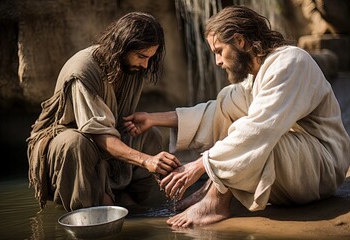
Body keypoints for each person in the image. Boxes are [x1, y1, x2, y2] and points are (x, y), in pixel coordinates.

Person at [123, 6, 350, 227]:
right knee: (233, 113)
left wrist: (200, 165)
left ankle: (215, 202)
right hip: (298, 168)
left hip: (322, 168)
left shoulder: (290, 62)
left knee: (248, 131)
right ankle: (209, 190)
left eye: (219, 51)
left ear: (240, 41)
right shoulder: (256, 75)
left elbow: (259, 129)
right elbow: (218, 110)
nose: (218, 62)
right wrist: (153, 119)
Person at [27, 12, 181, 212]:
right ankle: (89, 209)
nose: (145, 65)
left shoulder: (131, 69)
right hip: (68, 144)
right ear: (123, 46)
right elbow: (97, 134)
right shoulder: (83, 70)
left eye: (149, 58)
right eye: (142, 56)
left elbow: (113, 125)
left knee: (150, 134)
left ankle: (129, 201)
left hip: (104, 136)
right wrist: (147, 160)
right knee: (75, 143)